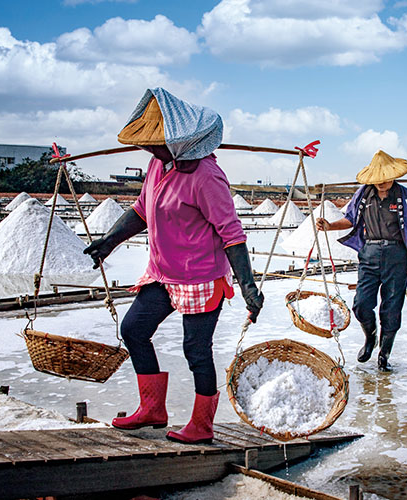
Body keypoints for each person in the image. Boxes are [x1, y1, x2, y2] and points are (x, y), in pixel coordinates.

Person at [84, 88, 263, 443]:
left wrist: (248, 286)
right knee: (134, 329)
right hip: (163, 273)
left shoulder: (207, 177)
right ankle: (152, 408)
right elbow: (140, 210)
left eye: (156, 144)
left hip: (199, 277)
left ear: (182, 143)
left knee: (196, 350)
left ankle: (202, 425)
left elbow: (231, 233)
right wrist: (108, 242)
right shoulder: (157, 165)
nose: (148, 150)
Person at [316, 150, 407, 372]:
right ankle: (371, 337)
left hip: (397, 257)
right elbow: (350, 219)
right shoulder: (363, 195)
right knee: (362, 304)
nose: (382, 182)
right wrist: (329, 226)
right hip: (370, 254)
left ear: (394, 175)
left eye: (386, 177)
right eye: (378, 178)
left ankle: (385, 353)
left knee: (392, 307)